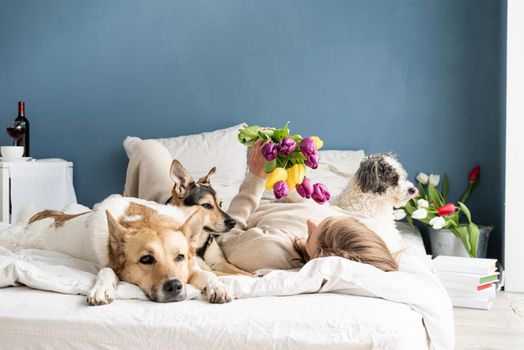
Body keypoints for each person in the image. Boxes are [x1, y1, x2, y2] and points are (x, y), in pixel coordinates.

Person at [221, 140, 398, 272]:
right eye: (325, 222)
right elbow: (306, 206)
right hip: (281, 198)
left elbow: (225, 238)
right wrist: (281, 166)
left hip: (251, 208)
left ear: (320, 258)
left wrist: (255, 178)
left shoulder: (269, 251)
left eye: (312, 233)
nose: (310, 223)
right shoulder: (358, 228)